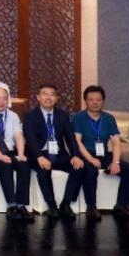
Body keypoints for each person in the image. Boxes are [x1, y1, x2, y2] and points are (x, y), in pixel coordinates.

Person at [71, 85, 129, 220]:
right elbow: (77, 142)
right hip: (85, 155)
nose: (95, 102)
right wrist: (90, 159)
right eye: (91, 100)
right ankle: (91, 207)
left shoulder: (108, 118)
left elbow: (116, 142)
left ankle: (121, 205)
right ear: (86, 101)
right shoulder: (79, 117)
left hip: (103, 155)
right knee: (90, 170)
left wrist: (116, 162)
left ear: (103, 101)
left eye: (98, 99)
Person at [22, 84, 84, 219]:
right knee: (43, 170)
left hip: (58, 154)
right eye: (44, 94)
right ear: (38, 97)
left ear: (57, 98)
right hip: (38, 153)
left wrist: (75, 155)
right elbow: (30, 139)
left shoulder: (63, 115)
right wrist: (39, 157)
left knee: (79, 166)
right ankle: (51, 206)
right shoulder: (30, 115)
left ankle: (66, 204)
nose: (48, 97)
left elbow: (70, 138)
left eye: (52, 94)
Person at [0, 88, 31, 220]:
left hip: (10, 150)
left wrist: (21, 154)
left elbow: (18, 135)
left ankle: (21, 205)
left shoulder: (13, 115)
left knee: (24, 164)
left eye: (5, 98)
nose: (2, 102)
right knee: (6, 164)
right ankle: (11, 205)